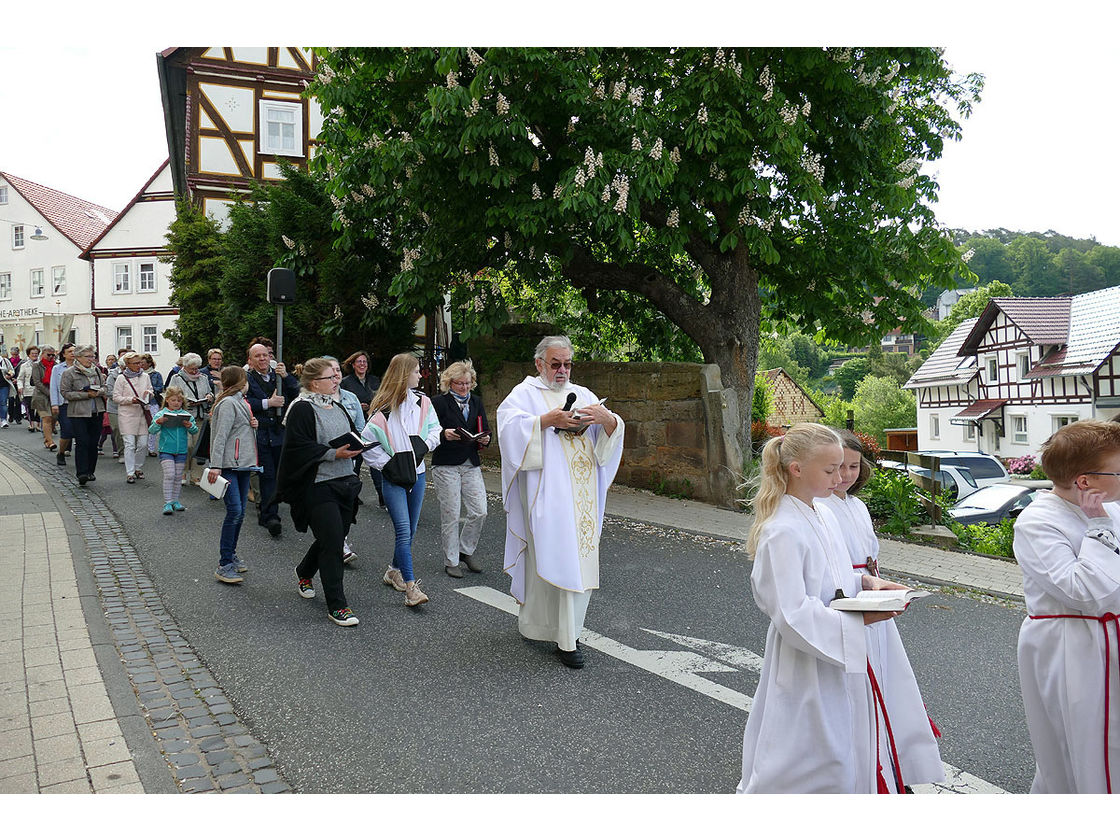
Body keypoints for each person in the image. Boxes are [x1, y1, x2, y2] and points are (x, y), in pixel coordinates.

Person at [736, 423, 913, 794]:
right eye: (830, 470)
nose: (840, 478)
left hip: (840, 647)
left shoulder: (824, 513)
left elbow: (834, 577)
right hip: (807, 658)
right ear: (796, 469)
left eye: (842, 468)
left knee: (845, 740)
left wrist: (868, 586)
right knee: (808, 750)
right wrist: (858, 619)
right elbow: (790, 611)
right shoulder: (782, 530)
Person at [816, 429, 944, 790]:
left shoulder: (856, 505)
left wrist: (879, 583)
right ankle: (865, 764)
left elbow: (868, 555)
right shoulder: (821, 507)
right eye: (838, 467)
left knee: (889, 678)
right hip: (849, 599)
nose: (845, 475)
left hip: (871, 593)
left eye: (854, 466)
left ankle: (892, 758)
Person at [495, 336, 624, 669]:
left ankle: (570, 633)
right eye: (556, 364)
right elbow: (509, 430)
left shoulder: (585, 395)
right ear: (539, 364)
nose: (563, 370)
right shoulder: (524, 395)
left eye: (567, 364)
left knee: (581, 563)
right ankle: (559, 637)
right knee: (557, 561)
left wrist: (607, 421)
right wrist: (546, 421)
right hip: (548, 498)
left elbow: (609, 433)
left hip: (583, 499)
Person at [1014, 419, 1120, 793]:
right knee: (1081, 746)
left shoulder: (1113, 509)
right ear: (1085, 481)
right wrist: (1097, 527)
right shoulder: (1038, 522)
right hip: (1072, 646)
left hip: (1108, 639)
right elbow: (1084, 593)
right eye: (1118, 470)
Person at [273, 358, 365, 626]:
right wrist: (332, 453)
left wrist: (361, 445)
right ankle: (337, 605)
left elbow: (351, 433)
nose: (336, 380)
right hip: (317, 485)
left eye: (336, 376)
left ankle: (304, 571)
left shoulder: (336, 405)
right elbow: (296, 448)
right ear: (315, 383)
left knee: (333, 536)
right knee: (334, 543)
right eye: (330, 377)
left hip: (345, 482)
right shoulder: (302, 408)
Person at [360, 352, 441, 608]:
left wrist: (423, 446)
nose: (420, 375)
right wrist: (388, 464)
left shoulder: (424, 403)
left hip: (417, 474)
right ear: (404, 374)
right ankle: (410, 587)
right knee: (404, 531)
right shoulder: (383, 409)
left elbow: (436, 430)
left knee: (412, 529)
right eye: (417, 371)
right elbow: (367, 443)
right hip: (394, 479)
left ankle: (393, 570)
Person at [430, 360, 490, 578]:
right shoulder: (438, 402)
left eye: (467, 383)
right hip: (446, 464)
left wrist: (485, 439)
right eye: (459, 384)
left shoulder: (476, 402)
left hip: (470, 461)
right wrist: (443, 434)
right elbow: (428, 430)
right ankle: (451, 560)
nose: (464, 387)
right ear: (449, 382)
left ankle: (466, 550)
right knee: (451, 514)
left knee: (480, 510)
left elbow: (485, 428)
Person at [206, 366, 260, 585]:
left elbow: (240, 432)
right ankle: (224, 563)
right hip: (229, 465)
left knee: (239, 513)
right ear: (240, 381)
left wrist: (253, 425)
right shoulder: (228, 403)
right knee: (235, 511)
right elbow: (220, 436)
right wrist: (216, 465)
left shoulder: (240, 401)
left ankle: (231, 555)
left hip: (243, 464)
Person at [245, 342, 299, 537]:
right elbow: (244, 401)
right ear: (250, 360)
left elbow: (298, 393)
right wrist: (269, 403)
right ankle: (269, 516)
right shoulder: (247, 379)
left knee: (281, 474)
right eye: (257, 356)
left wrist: (286, 377)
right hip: (261, 434)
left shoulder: (279, 376)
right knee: (267, 476)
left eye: (265, 355)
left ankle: (273, 508)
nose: (262, 359)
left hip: (280, 432)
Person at [58, 345, 108, 486]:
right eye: (88, 356)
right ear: (78, 357)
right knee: (82, 442)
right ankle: (82, 473)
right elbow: (65, 393)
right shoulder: (70, 373)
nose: (91, 359)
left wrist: (98, 392)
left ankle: (90, 471)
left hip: (96, 411)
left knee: (93, 443)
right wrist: (86, 394)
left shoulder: (97, 370)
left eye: (93, 356)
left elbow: (105, 388)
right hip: (78, 413)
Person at [342, 349, 385, 507]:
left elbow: (381, 399)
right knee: (355, 463)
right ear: (352, 364)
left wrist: (370, 407)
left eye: (364, 362)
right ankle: (352, 495)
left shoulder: (374, 381)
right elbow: (342, 403)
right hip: (353, 428)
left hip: (373, 425)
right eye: (359, 362)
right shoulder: (346, 382)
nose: (362, 364)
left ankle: (382, 496)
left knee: (375, 462)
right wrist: (356, 407)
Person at [167, 352, 216, 485]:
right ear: (185, 366)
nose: (195, 371)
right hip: (184, 416)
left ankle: (196, 475)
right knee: (186, 445)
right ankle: (182, 472)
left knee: (198, 446)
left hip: (200, 416)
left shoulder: (203, 377)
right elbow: (170, 395)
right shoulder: (176, 378)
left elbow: (209, 391)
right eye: (192, 368)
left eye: (197, 368)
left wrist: (209, 396)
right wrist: (185, 401)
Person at [149, 386, 199, 515]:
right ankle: (167, 502)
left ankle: (176, 501)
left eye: (179, 400)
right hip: (166, 449)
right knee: (170, 474)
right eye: (173, 400)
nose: (176, 403)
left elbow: (194, 431)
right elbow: (152, 430)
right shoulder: (161, 414)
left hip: (181, 450)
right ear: (167, 401)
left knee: (177, 477)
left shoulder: (186, 415)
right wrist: (158, 423)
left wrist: (190, 426)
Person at [113, 351, 153, 484]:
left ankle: (138, 467)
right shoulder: (121, 378)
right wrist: (131, 399)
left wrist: (149, 394)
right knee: (129, 444)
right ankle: (130, 472)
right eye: (135, 363)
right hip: (127, 415)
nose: (139, 365)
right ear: (127, 364)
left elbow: (151, 390)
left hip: (142, 413)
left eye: (140, 363)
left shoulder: (145, 376)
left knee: (143, 444)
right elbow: (116, 397)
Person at [50, 343, 76, 466]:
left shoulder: (80, 367)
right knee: (67, 430)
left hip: (78, 403)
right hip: (63, 403)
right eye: (70, 351)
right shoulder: (58, 368)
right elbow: (53, 387)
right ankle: (61, 452)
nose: (72, 353)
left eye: (74, 351)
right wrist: (54, 403)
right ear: (64, 354)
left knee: (78, 431)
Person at [30, 345, 57, 450]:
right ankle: (50, 442)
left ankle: (48, 435)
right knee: (46, 418)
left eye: (52, 355)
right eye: (48, 355)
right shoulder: (37, 365)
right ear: (42, 354)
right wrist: (49, 392)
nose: (50, 357)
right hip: (41, 395)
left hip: (54, 395)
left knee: (54, 417)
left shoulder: (56, 365)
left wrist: (54, 393)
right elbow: (37, 382)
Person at [104, 349, 129, 461]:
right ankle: (121, 452)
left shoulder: (138, 375)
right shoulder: (113, 375)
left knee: (130, 430)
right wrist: (124, 397)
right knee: (117, 429)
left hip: (131, 407)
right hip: (114, 407)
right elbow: (108, 392)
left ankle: (131, 451)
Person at [140, 353, 164, 456]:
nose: (141, 365)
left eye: (143, 363)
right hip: (141, 402)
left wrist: (151, 391)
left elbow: (160, 387)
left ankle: (151, 448)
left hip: (153, 402)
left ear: (149, 363)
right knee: (142, 425)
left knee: (153, 424)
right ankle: (142, 447)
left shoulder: (156, 374)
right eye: (140, 363)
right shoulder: (138, 374)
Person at [17, 346, 40, 433]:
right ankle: (31, 424)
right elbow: (20, 378)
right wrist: (20, 387)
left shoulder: (41, 364)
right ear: (29, 355)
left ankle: (38, 424)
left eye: (36, 353)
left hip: (39, 389)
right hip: (28, 389)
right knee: (30, 408)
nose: (34, 355)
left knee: (39, 408)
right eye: (32, 354)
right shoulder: (24, 365)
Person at [0, 351, 14, 428]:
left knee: (3, 402)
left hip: (3, 385)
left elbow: (11, 370)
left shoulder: (4, 361)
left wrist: (10, 375)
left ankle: (3, 419)